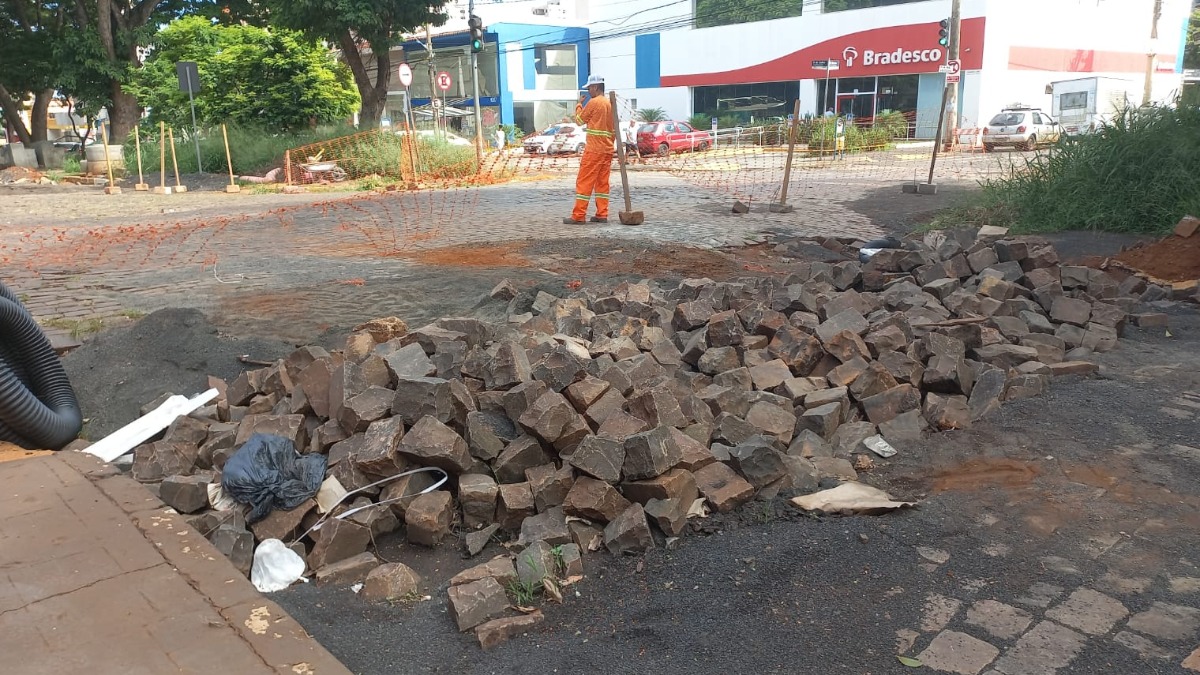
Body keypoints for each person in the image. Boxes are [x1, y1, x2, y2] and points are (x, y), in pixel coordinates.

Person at [564, 74, 614, 224]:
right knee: (602, 183)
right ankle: (602, 214)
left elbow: (579, 121)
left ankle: (578, 216)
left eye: (590, 88)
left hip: (594, 149)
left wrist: (579, 105)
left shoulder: (594, 102)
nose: (588, 91)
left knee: (584, 182)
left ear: (596, 87)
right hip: (607, 150)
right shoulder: (610, 104)